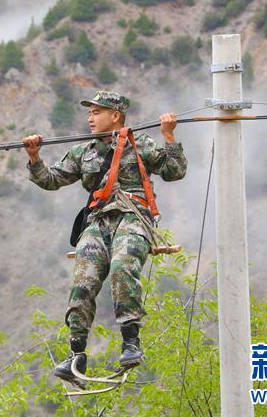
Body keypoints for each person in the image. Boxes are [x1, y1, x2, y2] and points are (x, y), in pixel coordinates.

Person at [22, 91, 187, 387]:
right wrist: (34, 157)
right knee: (83, 280)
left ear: (116, 116)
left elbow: (174, 171)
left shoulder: (140, 145)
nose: (90, 118)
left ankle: (131, 341)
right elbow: (51, 179)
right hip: (98, 222)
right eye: (89, 113)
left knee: (123, 266)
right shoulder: (83, 152)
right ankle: (76, 353)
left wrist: (169, 136)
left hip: (132, 216)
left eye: (97, 112)